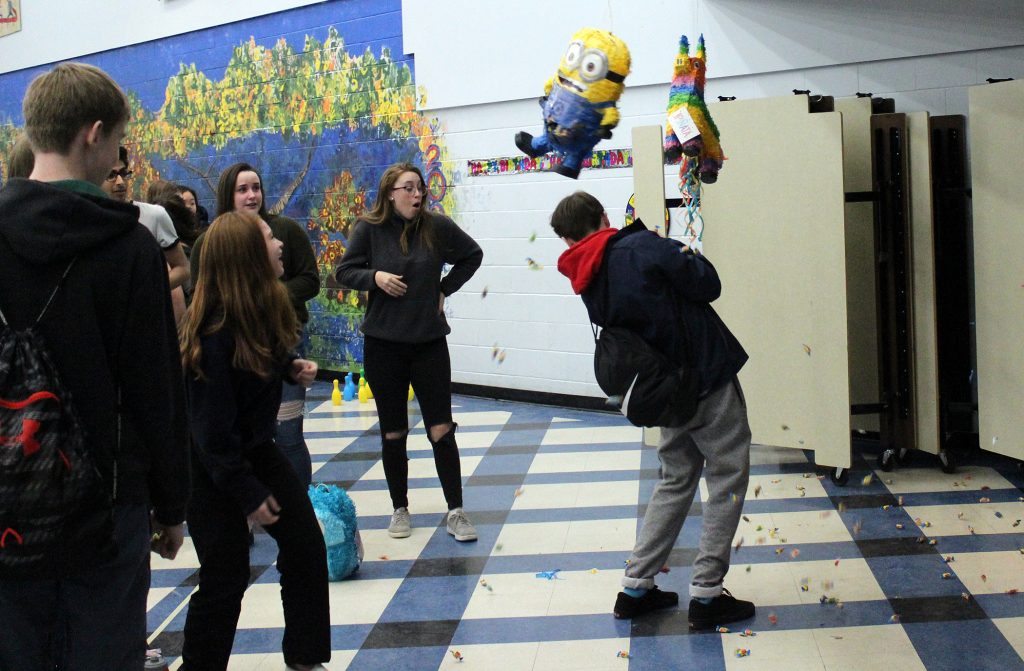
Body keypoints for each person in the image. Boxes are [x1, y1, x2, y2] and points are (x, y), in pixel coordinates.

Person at [0, 62, 189, 669]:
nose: (116, 158)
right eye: (117, 142)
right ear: (94, 132)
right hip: (108, 499)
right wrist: (172, 504)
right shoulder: (130, 247)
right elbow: (154, 388)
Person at [550, 191, 755, 628]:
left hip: (662, 392)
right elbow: (708, 284)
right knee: (727, 474)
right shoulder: (641, 247)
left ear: (568, 239)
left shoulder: (586, 277)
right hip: (702, 377)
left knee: (676, 479)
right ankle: (706, 593)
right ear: (603, 216)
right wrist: (685, 251)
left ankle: (636, 586)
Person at [179, 210, 329, 670]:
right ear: (247, 256)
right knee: (226, 577)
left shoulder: (257, 310)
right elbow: (212, 437)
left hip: (254, 452)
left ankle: (305, 658)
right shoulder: (212, 337)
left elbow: (261, 351)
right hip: (211, 469)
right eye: (268, 238)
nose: (279, 243)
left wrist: (289, 366)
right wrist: (248, 495)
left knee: (305, 547)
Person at [335, 162, 483, 542]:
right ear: (390, 193)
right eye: (408, 188)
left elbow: (472, 255)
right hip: (384, 346)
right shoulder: (369, 229)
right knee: (394, 432)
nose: (417, 195)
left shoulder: (437, 227)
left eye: (420, 188)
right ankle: (399, 508)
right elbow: (344, 271)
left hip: (429, 343)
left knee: (440, 429)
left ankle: (456, 511)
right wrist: (375, 277)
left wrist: (445, 288)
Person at [190, 163, 321, 488]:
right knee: (239, 433)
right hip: (232, 349)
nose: (252, 195)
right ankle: (250, 504)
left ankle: (298, 501)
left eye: (256, 188)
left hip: (282, 342)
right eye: (242, 189)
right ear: (227, 195)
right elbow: (201, 295)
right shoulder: (210, 242)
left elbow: (309, 280)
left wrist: (268, 298)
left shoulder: (285, 230)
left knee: (287, 434)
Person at [101, 146, 190, 292]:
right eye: (111, 175)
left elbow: (183, 268)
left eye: (123, 174)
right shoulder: (89, 220)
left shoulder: (154, 215)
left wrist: (148, 293)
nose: (120, 182)